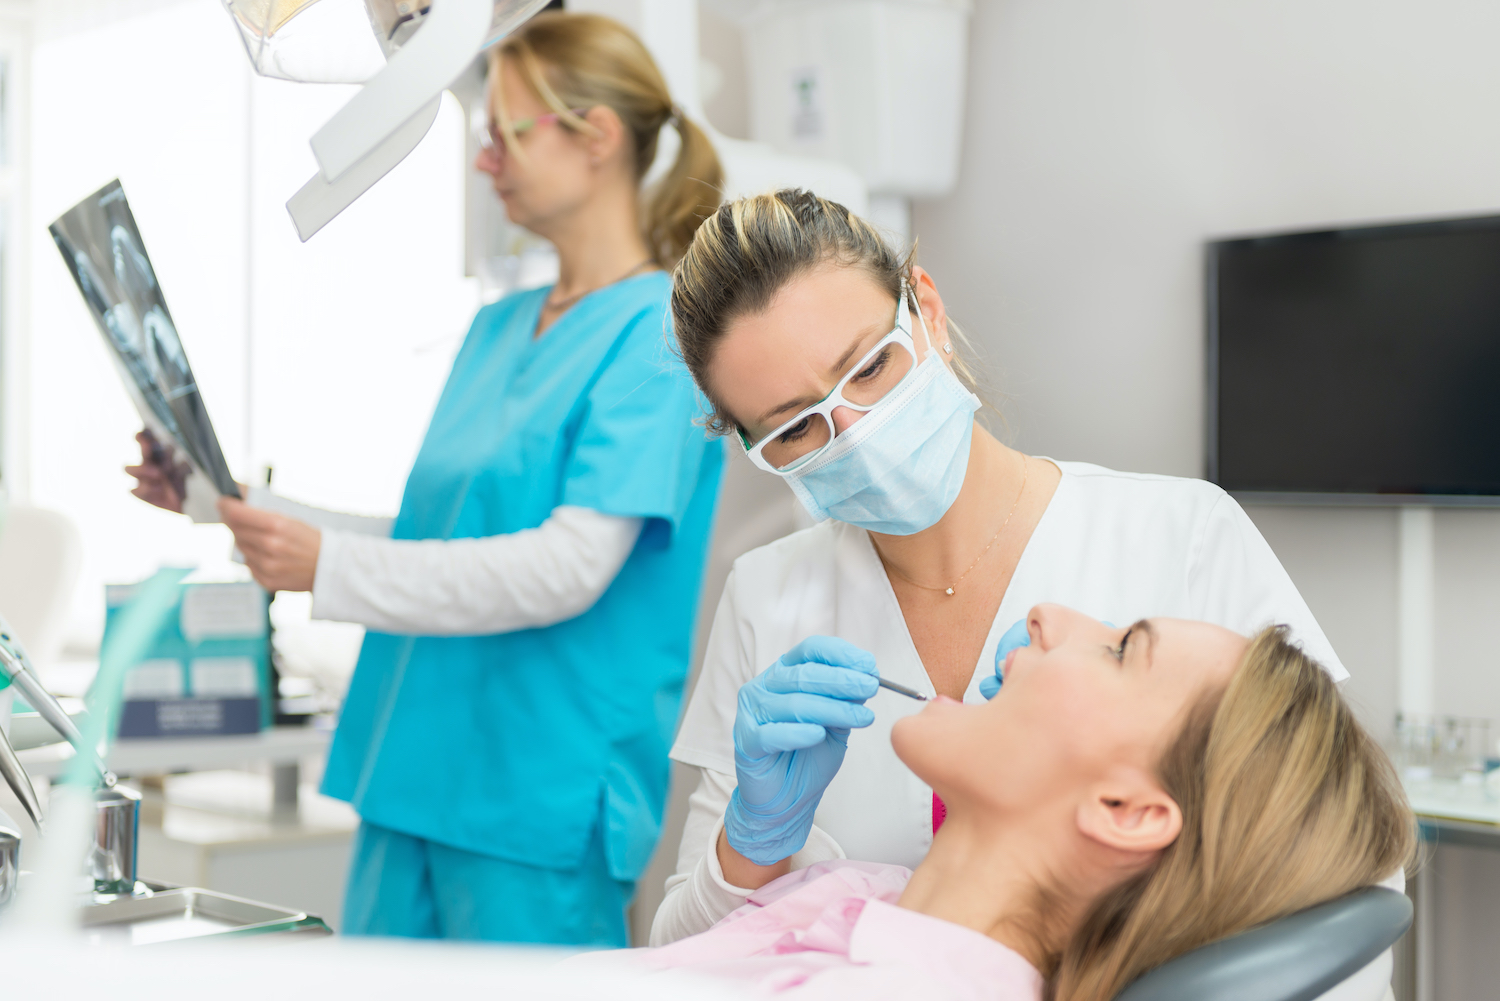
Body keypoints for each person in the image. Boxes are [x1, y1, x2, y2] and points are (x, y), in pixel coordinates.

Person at [127, 12, 724, 946]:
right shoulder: (499, 326)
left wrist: (326, 567)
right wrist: (222, 499)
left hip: (535, 794)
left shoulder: (658, 340)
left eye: (505, 133)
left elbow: (567, 567)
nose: (485, 160)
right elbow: (423, 536)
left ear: (596, 138)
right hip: (413, 771)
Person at [651, 189, 1351, 944]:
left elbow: (1337, 875)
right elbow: (679, 953)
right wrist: (750, 845)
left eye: (871, 367)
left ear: (926, 310)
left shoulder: (1182, 535)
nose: (855, 435)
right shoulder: (767, 595)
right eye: (796, 428)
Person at [589, 606, 1414, 998]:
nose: (1047, 616)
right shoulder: (862, 897)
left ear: (1127, 807)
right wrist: (757, 841)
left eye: (1123, 648)